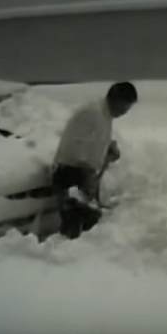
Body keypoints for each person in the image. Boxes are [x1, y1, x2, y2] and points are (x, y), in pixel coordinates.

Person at [52, 82, 138, 239]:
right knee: (76, 223)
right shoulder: (92, 114)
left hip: (83, 174)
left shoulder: (104, 114)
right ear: (115, 100)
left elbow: (93, 140)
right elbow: (77, 147)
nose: (124, 112)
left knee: (88, 222)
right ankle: (65, 257)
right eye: (124, 107)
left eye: (127, 108)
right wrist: (87, 176)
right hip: (71, 174)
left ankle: (76, 255)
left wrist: (108, 147)